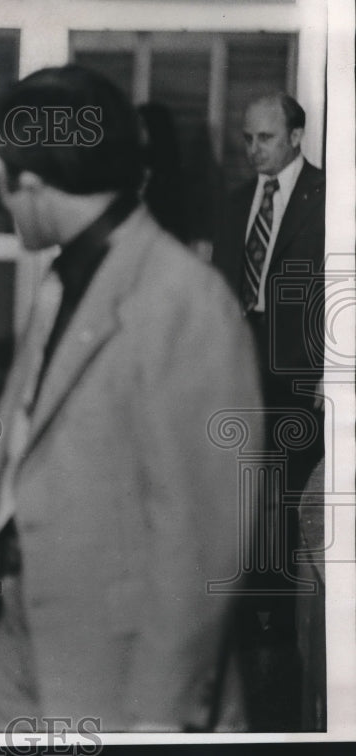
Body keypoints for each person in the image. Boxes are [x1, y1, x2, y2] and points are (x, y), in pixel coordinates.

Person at [0, 65, 263, 731]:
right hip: (18, 645)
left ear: (34, 185)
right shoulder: (68, 279)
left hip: (122, 679)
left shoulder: (186, 301)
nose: (2, 204)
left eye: (2, 184)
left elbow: (204, 541)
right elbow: (18, 467)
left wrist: (160, 718)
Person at [211, 92, 326, 730]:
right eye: (248, 139)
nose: (254, 150)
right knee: (237, 500)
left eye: (265, 138)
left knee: (280, 510)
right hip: (236, 379)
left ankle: (275, 650)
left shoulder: (329, 200)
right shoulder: (236, 205)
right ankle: (240, 631)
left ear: (296, 136)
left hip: (293, 384)